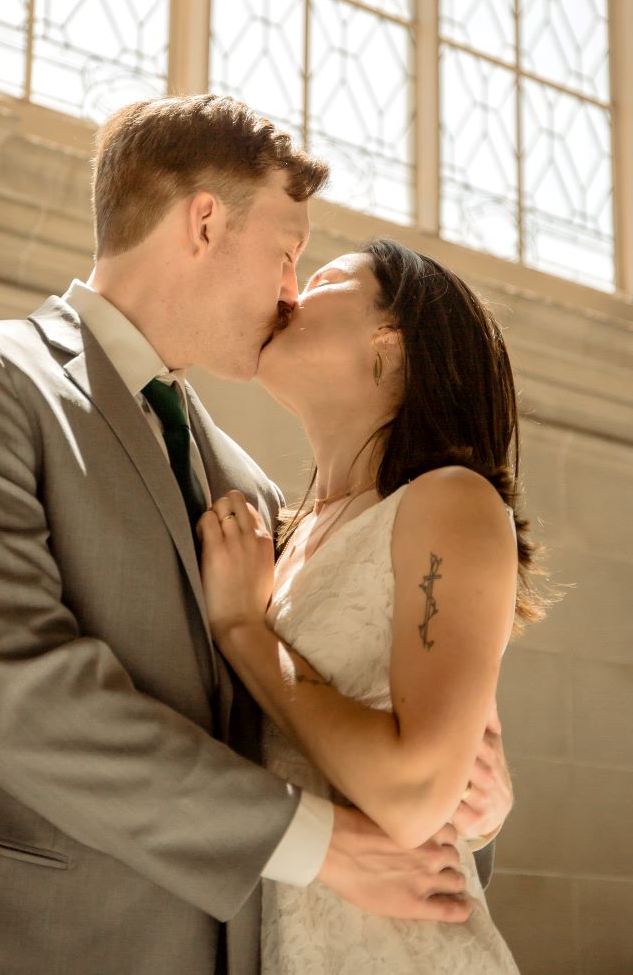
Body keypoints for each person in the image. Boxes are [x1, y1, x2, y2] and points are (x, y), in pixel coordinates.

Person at [0, 101, 510, 975]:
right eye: (287, 252)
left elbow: (327, 739)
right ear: (203, 222)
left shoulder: (257, 499)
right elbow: (10, 686)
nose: (290, 291)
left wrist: (471, 810)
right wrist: (321, 843)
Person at [198, 240, 549, 974]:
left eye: (325, 278)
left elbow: (418, 794)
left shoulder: (450, 499)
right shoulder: (283, 534)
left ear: (390, 343)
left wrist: (243, 631)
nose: (292, 289)